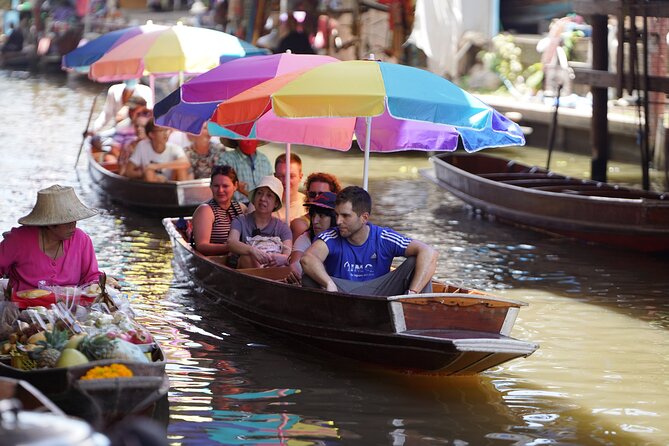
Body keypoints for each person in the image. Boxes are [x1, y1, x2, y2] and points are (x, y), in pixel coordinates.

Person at [301, 186, 438, 296]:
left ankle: (415, 320)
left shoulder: (383, 236)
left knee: (417, 262)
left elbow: (429, 252)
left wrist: (412, 293)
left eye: (345, 216)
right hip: (342, 294)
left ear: (364, 218)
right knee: (308, 277)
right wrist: (328, 283)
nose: (338, 221)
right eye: (336, 215)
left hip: (380, 293)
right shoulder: (331, 236)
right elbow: (308, 258)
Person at [0, 185, 101, 292]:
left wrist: (95, 284)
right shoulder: (18, 240)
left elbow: (91, 277)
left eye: (75, 220)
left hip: (68, 304)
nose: (73, 226)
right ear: (50, 224)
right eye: (67, 222)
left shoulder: (81, 239)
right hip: (23, 305)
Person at [227, 176, 292, 269]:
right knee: (247, 258)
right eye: (259, 193)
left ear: (276, 203)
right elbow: (231, 242)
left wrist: (283, 258)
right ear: (254, 197)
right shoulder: (240, 221)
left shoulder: (283, 227)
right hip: (246, 275)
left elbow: (288, 252)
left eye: (269, 195)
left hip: (274, 272)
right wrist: (252, 251)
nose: (263, 198)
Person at [191, 165, 246, 256]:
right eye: (216, 186)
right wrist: (233, 247)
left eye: (225, 186)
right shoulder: (205, 210)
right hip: (216, 260)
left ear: (235, 186)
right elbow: (201, 246)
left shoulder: (241, 208)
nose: (220, 190)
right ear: (211, 186)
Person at [288, 191, 337, 284]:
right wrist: (294, 272)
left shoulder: (345, 239)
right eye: (313, 215)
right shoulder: (305, 237)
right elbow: (295, 264)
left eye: (321, 216)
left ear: (334, 218)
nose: (315, 221)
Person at [125, 119, 191, 182]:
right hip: (150, 185)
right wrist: (145, 173)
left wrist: (156, 166)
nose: (166, 134)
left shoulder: (174, 148)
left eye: (166, 130)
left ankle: (181, 193)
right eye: (161, 130)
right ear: (151, 134)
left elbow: (185, 163)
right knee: (149, 172)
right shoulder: (142, 146)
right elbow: (128, 171)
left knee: (181, 168)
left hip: (171, 186)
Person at [88, 79, 153, 135]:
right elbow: (107, 114)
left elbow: (149, 114)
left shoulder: (145, 91)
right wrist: (94, 129)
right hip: (119, 129)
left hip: (139, 130)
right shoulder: (114, 90)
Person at [290, 172, 342, 240]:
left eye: (322, 194)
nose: (317, 198)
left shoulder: (342, 222)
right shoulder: (300, 224)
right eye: (312, 194)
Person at [273, 153, 305, 224]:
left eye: (291, 176)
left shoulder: (308, 205)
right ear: (275, 177)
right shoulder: (262, 204)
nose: (285, 181)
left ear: (300, 177)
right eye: (281, 176)